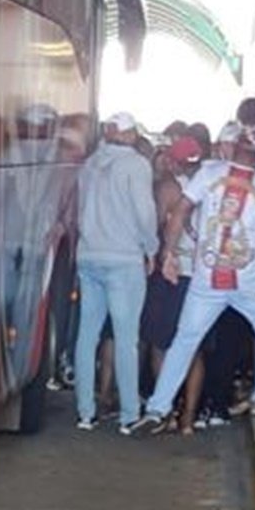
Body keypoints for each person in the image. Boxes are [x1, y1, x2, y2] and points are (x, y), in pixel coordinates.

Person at [133, 124, 255, 432]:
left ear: (232, 148)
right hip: (247, 276)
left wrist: (170, 254)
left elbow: (179, 213)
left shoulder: (210, 173)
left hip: (207, 274)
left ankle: (158, 407)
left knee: (185, 341)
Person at [74, 112, 158, 434]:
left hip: (88, 256)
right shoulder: (136, 165)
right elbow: (144, 213)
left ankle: (85, 412)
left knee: (87, 335)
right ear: (129, 134)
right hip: (123, 260)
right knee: (126, 340)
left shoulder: (90, 165)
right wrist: (150, 248)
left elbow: (80, 209)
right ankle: (128, 415)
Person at [141, 136, 205, 432]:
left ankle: (164, 411)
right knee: (194, 348)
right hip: (202, 276)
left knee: (161, 344)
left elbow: (153, 228)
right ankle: (189, 418)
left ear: (174, 160)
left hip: (171, 272)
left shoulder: (168, 188)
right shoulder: (212, 187)